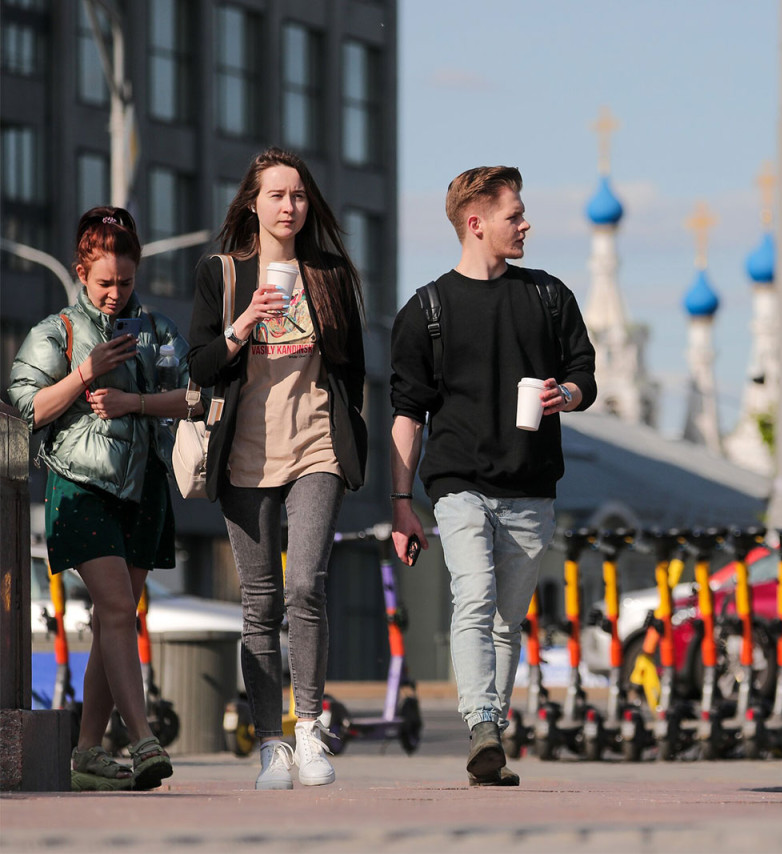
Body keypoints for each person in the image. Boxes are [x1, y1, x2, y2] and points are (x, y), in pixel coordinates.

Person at [389, 166, 596, 787]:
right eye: (515, 215)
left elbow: (585, 370)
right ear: (476, 224)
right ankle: (481, 723)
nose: (526, 223)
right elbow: (407, 415)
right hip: (458, 484)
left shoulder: (548, 296)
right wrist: (402, 503)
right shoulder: (425, 310)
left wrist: (571, 393)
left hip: (531, 486)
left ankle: (490, 740)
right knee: (474, 596)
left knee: (509, 618)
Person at [187, 147, 367, 790]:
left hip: (316, 447)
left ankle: (311, 731)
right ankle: (271, 744)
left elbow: (351, 368)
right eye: (276, 195)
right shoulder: (224, 273)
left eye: (297, 195)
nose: (288, 206)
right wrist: (242, 325)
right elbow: (200, 365)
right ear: (252, 205)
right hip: (245, 455)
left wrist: (354, 439)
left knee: (306, 587)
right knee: (259, 603)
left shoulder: (331, 273)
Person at [8, 207, 191, 791]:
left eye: (126, 282)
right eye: (104, 282)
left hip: (146, 489)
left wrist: (137, 403)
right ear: (80, 272)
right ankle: (141, 741)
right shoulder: (53, 332)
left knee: (118, 618)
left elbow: (194, 396)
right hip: (80, 486)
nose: (115, 295)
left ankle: (87, 752)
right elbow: (23, 411)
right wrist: (85, 372)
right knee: (115, 610)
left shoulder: (156, 331)